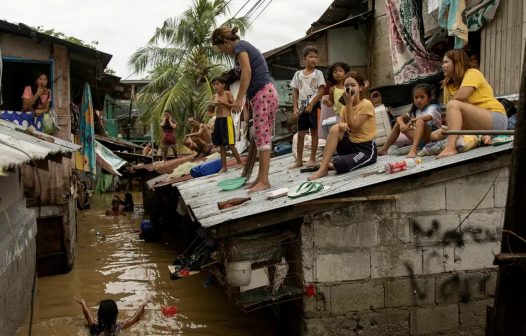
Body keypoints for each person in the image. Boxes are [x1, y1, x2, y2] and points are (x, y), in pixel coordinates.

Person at [211, 26, 279, 192]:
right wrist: (248, 100)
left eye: (221, 48)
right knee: (258, 136)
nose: (223, 52)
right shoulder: (240, 51)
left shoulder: (240, 47)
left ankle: (264, 180)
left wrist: (239, 99)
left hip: (264, 93)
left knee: (262, 138)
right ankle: (260, 178)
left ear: (226, 42)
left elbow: (247, 72)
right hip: (259, 95)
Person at [437, 49, 506, 158]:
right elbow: (448, 114)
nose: (443, 66)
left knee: (453, 104)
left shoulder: (472, 72)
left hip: (494, 118)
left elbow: (461, 97)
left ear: (457, 62)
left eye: (446, 62)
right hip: (474, 125)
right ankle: (482, 137)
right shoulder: (447, 85)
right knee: (434, 135)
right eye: (443, 63)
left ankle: (450, 147)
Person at [309, 72, 377, 181]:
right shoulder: (345, 107)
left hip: (365, 149)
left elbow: (353, 126)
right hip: (350, 144)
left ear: (361, 87)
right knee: (335, 128)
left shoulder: (366, 104)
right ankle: (323, 168)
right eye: (346, 86)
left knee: (339, 164)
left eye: (353, 85)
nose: (349, 88)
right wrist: (342, 123)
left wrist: (348, 103)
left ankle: (331, 165)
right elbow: (342, 123)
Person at [378, 83, 442, 158]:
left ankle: (413, 149)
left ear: (429, 98)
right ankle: (385, 149)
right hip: (420, 141)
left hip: (432, 139)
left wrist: (412, 120)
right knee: (399, 124)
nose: (418, 100)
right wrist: (402, 125)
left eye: (422, 97)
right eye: (416, 97)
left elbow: (427, 117)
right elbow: (399, 118)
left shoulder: (433, 108)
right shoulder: (416, 111)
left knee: (420, 121)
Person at [288, 46, 326, 169]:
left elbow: (321, 91)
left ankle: (312, 159)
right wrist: (295, 108)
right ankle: (299, 160)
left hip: (313, 107)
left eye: (315, 57)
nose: (313, 59)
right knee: (300, 134)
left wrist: (311, 105)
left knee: (314, 132)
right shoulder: (298, 74)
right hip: (301, 108)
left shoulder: (318, 74)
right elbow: (295, 92)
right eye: (310, 57)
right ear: (304, 59)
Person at [208, 76, 243, 172]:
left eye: (217, 84)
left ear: (223, 85)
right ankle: (224, 167)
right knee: (221, 145)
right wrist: (210, 113)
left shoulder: (227, 94)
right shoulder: (214, 97)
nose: (215, 86)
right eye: (214, 84)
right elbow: (210, 111)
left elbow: (234, 106)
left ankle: (240, 162)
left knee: (230, 144)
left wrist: (222, 103)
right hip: (218, 121)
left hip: (227, 119)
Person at [74, 297, 151, 335]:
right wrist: (143, 305)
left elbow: (87, 314)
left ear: (99, 315)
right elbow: (136, 317)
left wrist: (83, 303)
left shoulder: (94, 328)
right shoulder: (119, 328)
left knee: (86, 326)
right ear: (116, 313)